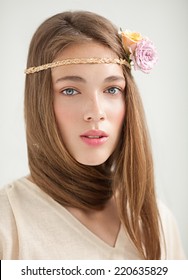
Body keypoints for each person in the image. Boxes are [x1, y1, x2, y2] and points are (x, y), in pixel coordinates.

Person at [0, 11, 185, 260]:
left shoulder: (157, 222)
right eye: (70, 90)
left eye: (111, 89)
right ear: (40, 100)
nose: (96, 113)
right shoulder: (8, 221)